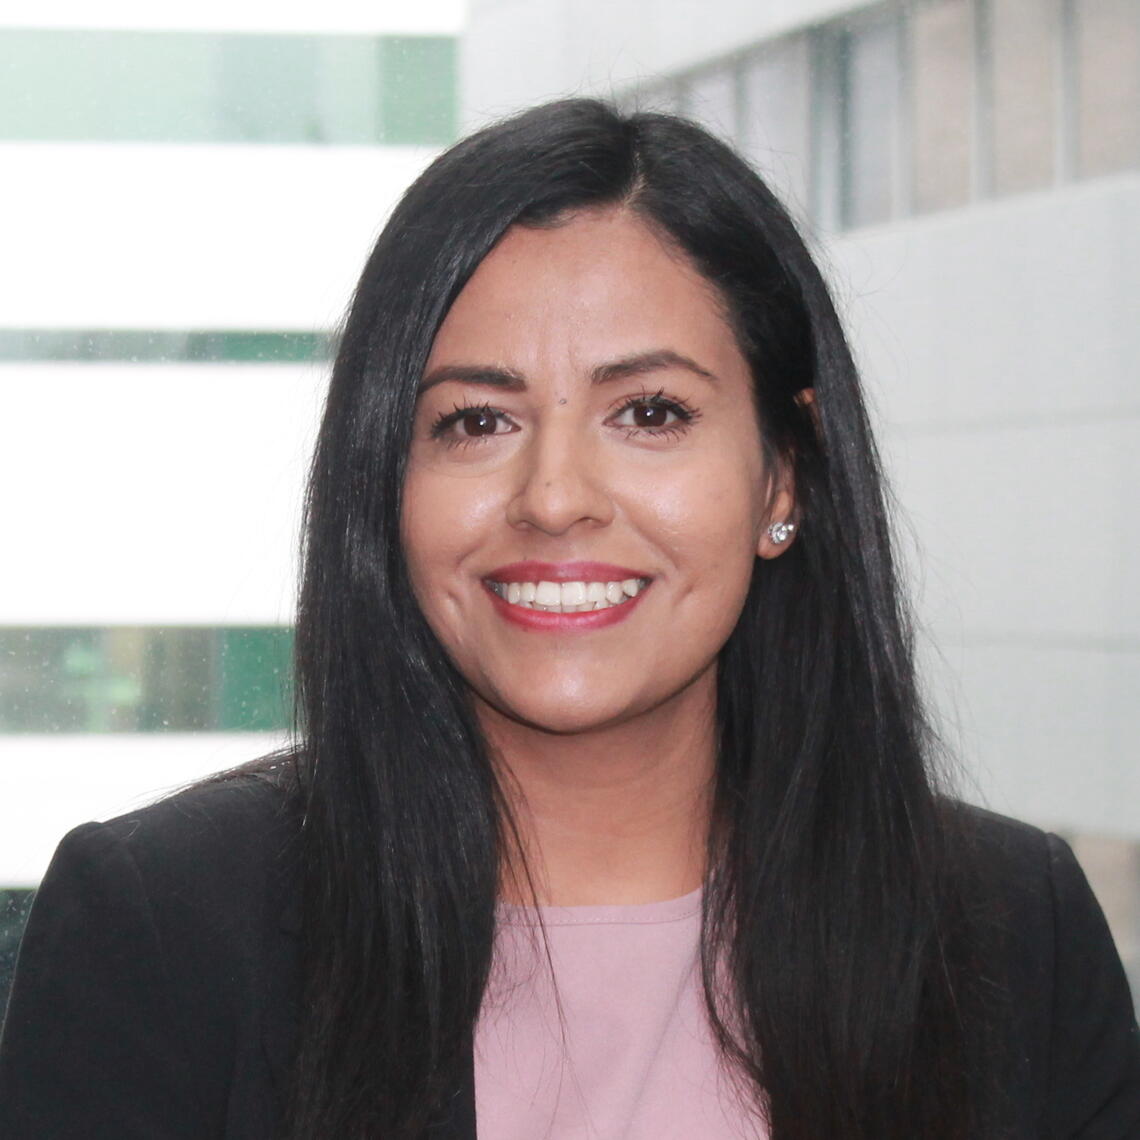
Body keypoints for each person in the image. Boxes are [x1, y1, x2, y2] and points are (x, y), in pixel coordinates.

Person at [0, 98, 1137, 1140]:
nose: (553, 497)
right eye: (474, 423)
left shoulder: (1008, 935)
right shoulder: (167, 932)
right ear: (384, 481)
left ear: (785, 476)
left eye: (650, 411)